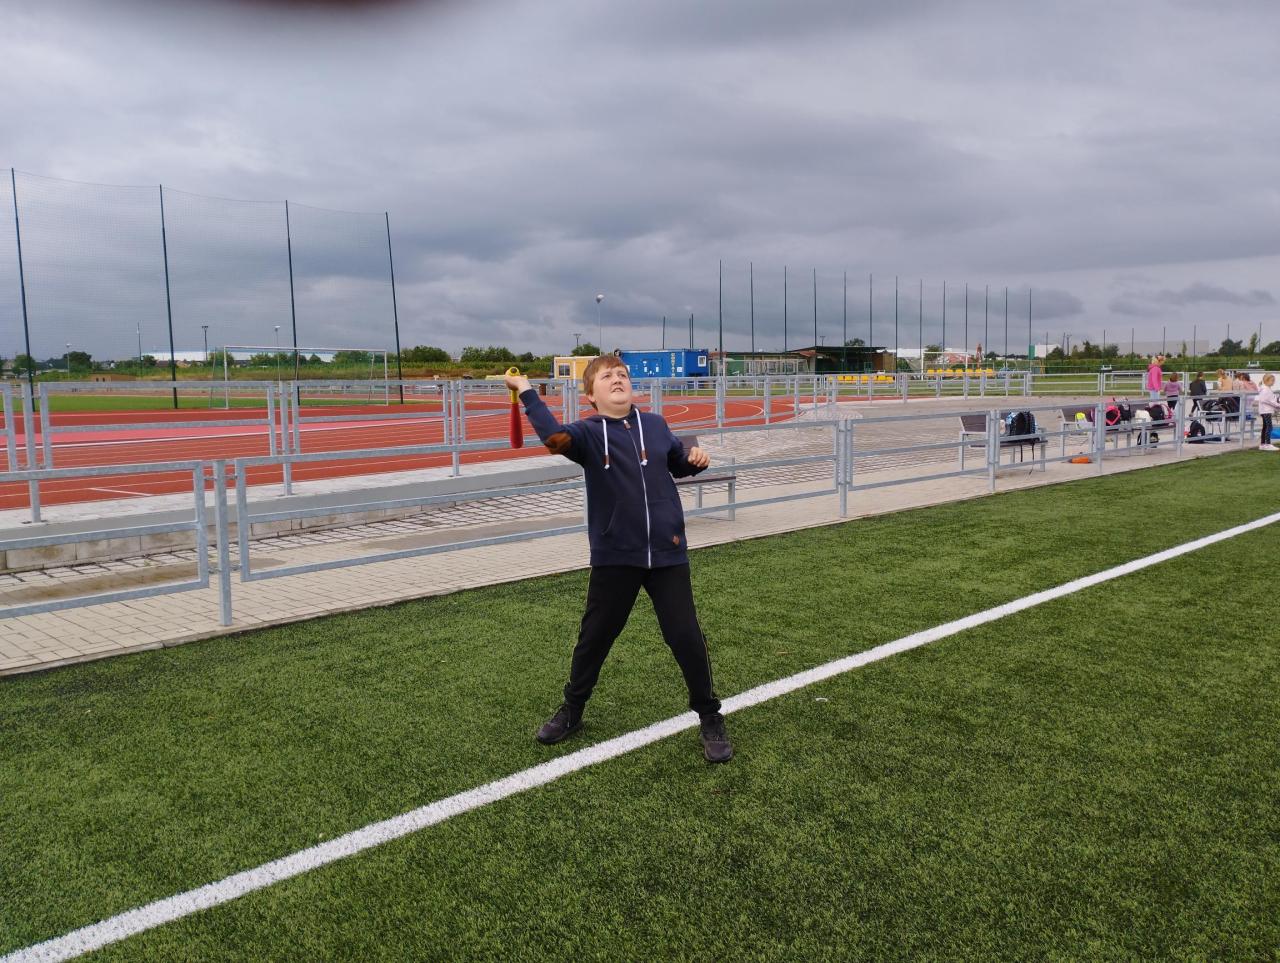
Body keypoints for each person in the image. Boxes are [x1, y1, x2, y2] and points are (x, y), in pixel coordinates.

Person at [504, 356, 733, 763]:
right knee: (595, 637)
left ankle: (709, 715)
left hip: (667, 552)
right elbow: (553, 438)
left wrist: (696, 460)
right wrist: (526, 392)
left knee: (685, 637)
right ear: (590, 395)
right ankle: (572, 709)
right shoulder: (587, 433)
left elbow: (678, 462)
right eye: (607, 376)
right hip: (615, 555)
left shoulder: (656, 425)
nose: (617, 379)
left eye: (622, 374)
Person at [1257, 374, 1279, 450]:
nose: (1273, 382)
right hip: (1266, 410)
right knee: (1269, 427)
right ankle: (1267, 444)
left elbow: (1269, 400)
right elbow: (1268, 400)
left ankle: (1263, 444)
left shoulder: (1265, 389)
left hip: (1265, 410)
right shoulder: (1266, 390)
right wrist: (1277, 405)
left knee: (1265, 427)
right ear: (1266, 381)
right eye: (1272, 380)